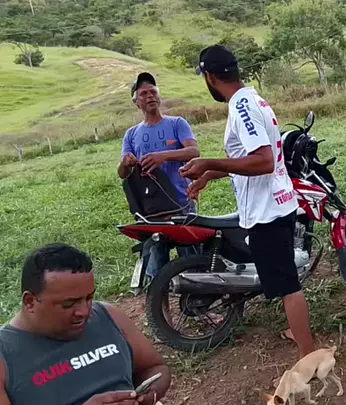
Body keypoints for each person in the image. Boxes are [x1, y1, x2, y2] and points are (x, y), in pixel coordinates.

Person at [178, 45, 315, 358]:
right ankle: (298, 333)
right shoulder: (253, 100)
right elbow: (248, 160)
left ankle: (308, 357)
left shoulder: (241, 107)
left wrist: (208, 161)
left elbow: (263, 161)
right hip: (276, 202)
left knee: (288, 287)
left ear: (210, 77)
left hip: (267, 211)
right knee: (285, 282)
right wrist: (210, 174)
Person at [0, 243, 171, 405]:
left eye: (89, 298)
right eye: (68, 304)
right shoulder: (5, 357)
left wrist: (148, 395)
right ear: (30, 302)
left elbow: (156, 367)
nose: (84, 311)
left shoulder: (109, 316)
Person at [117, 72, 201, 279]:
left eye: (153, 92)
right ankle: (157, 296)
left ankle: (199, 295)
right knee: (154, 266)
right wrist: (125, 163)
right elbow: (122, 174)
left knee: (192, 261)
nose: (150, 96)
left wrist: (163, 156)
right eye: (144, 94)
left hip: (181, 201)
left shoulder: (177, 123)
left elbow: (193, 152)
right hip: (150, 208)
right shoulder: (131, 134)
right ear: (136, 102)